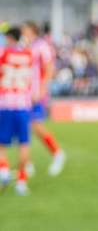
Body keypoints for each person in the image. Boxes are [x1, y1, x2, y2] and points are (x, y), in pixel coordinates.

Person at [22, 21, 66, 177]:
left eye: (25, 29)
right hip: (25, 93)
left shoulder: (42, 46)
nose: (23, 32)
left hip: (36, 94)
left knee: (35, 126)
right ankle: (27, 164)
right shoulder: (28, 46)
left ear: (32, 30)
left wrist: (41, 89)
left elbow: (49, 68)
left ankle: (57, 153)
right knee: (25, 126)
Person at [0, 26, 36, 195]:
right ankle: (21, 182)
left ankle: (4, 170)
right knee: (24, 144)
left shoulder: (3, 53)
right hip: (23, 105)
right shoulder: (28, 54)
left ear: (9, 38)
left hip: (5, 104)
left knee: (2, 144)